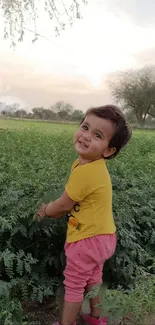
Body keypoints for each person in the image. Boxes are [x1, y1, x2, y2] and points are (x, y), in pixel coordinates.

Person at [35, 105, 132, 325]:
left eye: (97, 135)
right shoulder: (88, 165)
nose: (86, 136)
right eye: (85, 127)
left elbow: (62, 204)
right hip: (105, 236)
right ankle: (96, 319)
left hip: (87, 240)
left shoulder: (86, 172)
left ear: (109, 151)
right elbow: (75, 202)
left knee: (75, 283)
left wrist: (46, 210)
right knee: (93, 278)